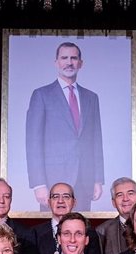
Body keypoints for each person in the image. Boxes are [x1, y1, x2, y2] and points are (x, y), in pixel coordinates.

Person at [25, 42, 104, 211]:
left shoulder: (91, 98)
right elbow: (33, 142)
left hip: (84, 180)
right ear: (56, 62)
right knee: (54, 232)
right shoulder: (41, 95)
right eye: (64, 58)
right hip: (53, 182)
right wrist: (39, 183)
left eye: (74, 58)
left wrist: (97, 179)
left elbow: (96, 141)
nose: (69, 62)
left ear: (80, 63)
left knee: (80, 230)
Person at [33, 182, 101, 254]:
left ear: (74, 202)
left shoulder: (89, 233)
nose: (60, 201)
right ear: (49, 202)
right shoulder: (35, 233)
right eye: (55, 196)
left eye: (66, 196)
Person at [96, 177, 136, 254]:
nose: (125, 199)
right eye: (119, 195)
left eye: (130, 193)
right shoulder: (102, 231)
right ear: (113, 202)